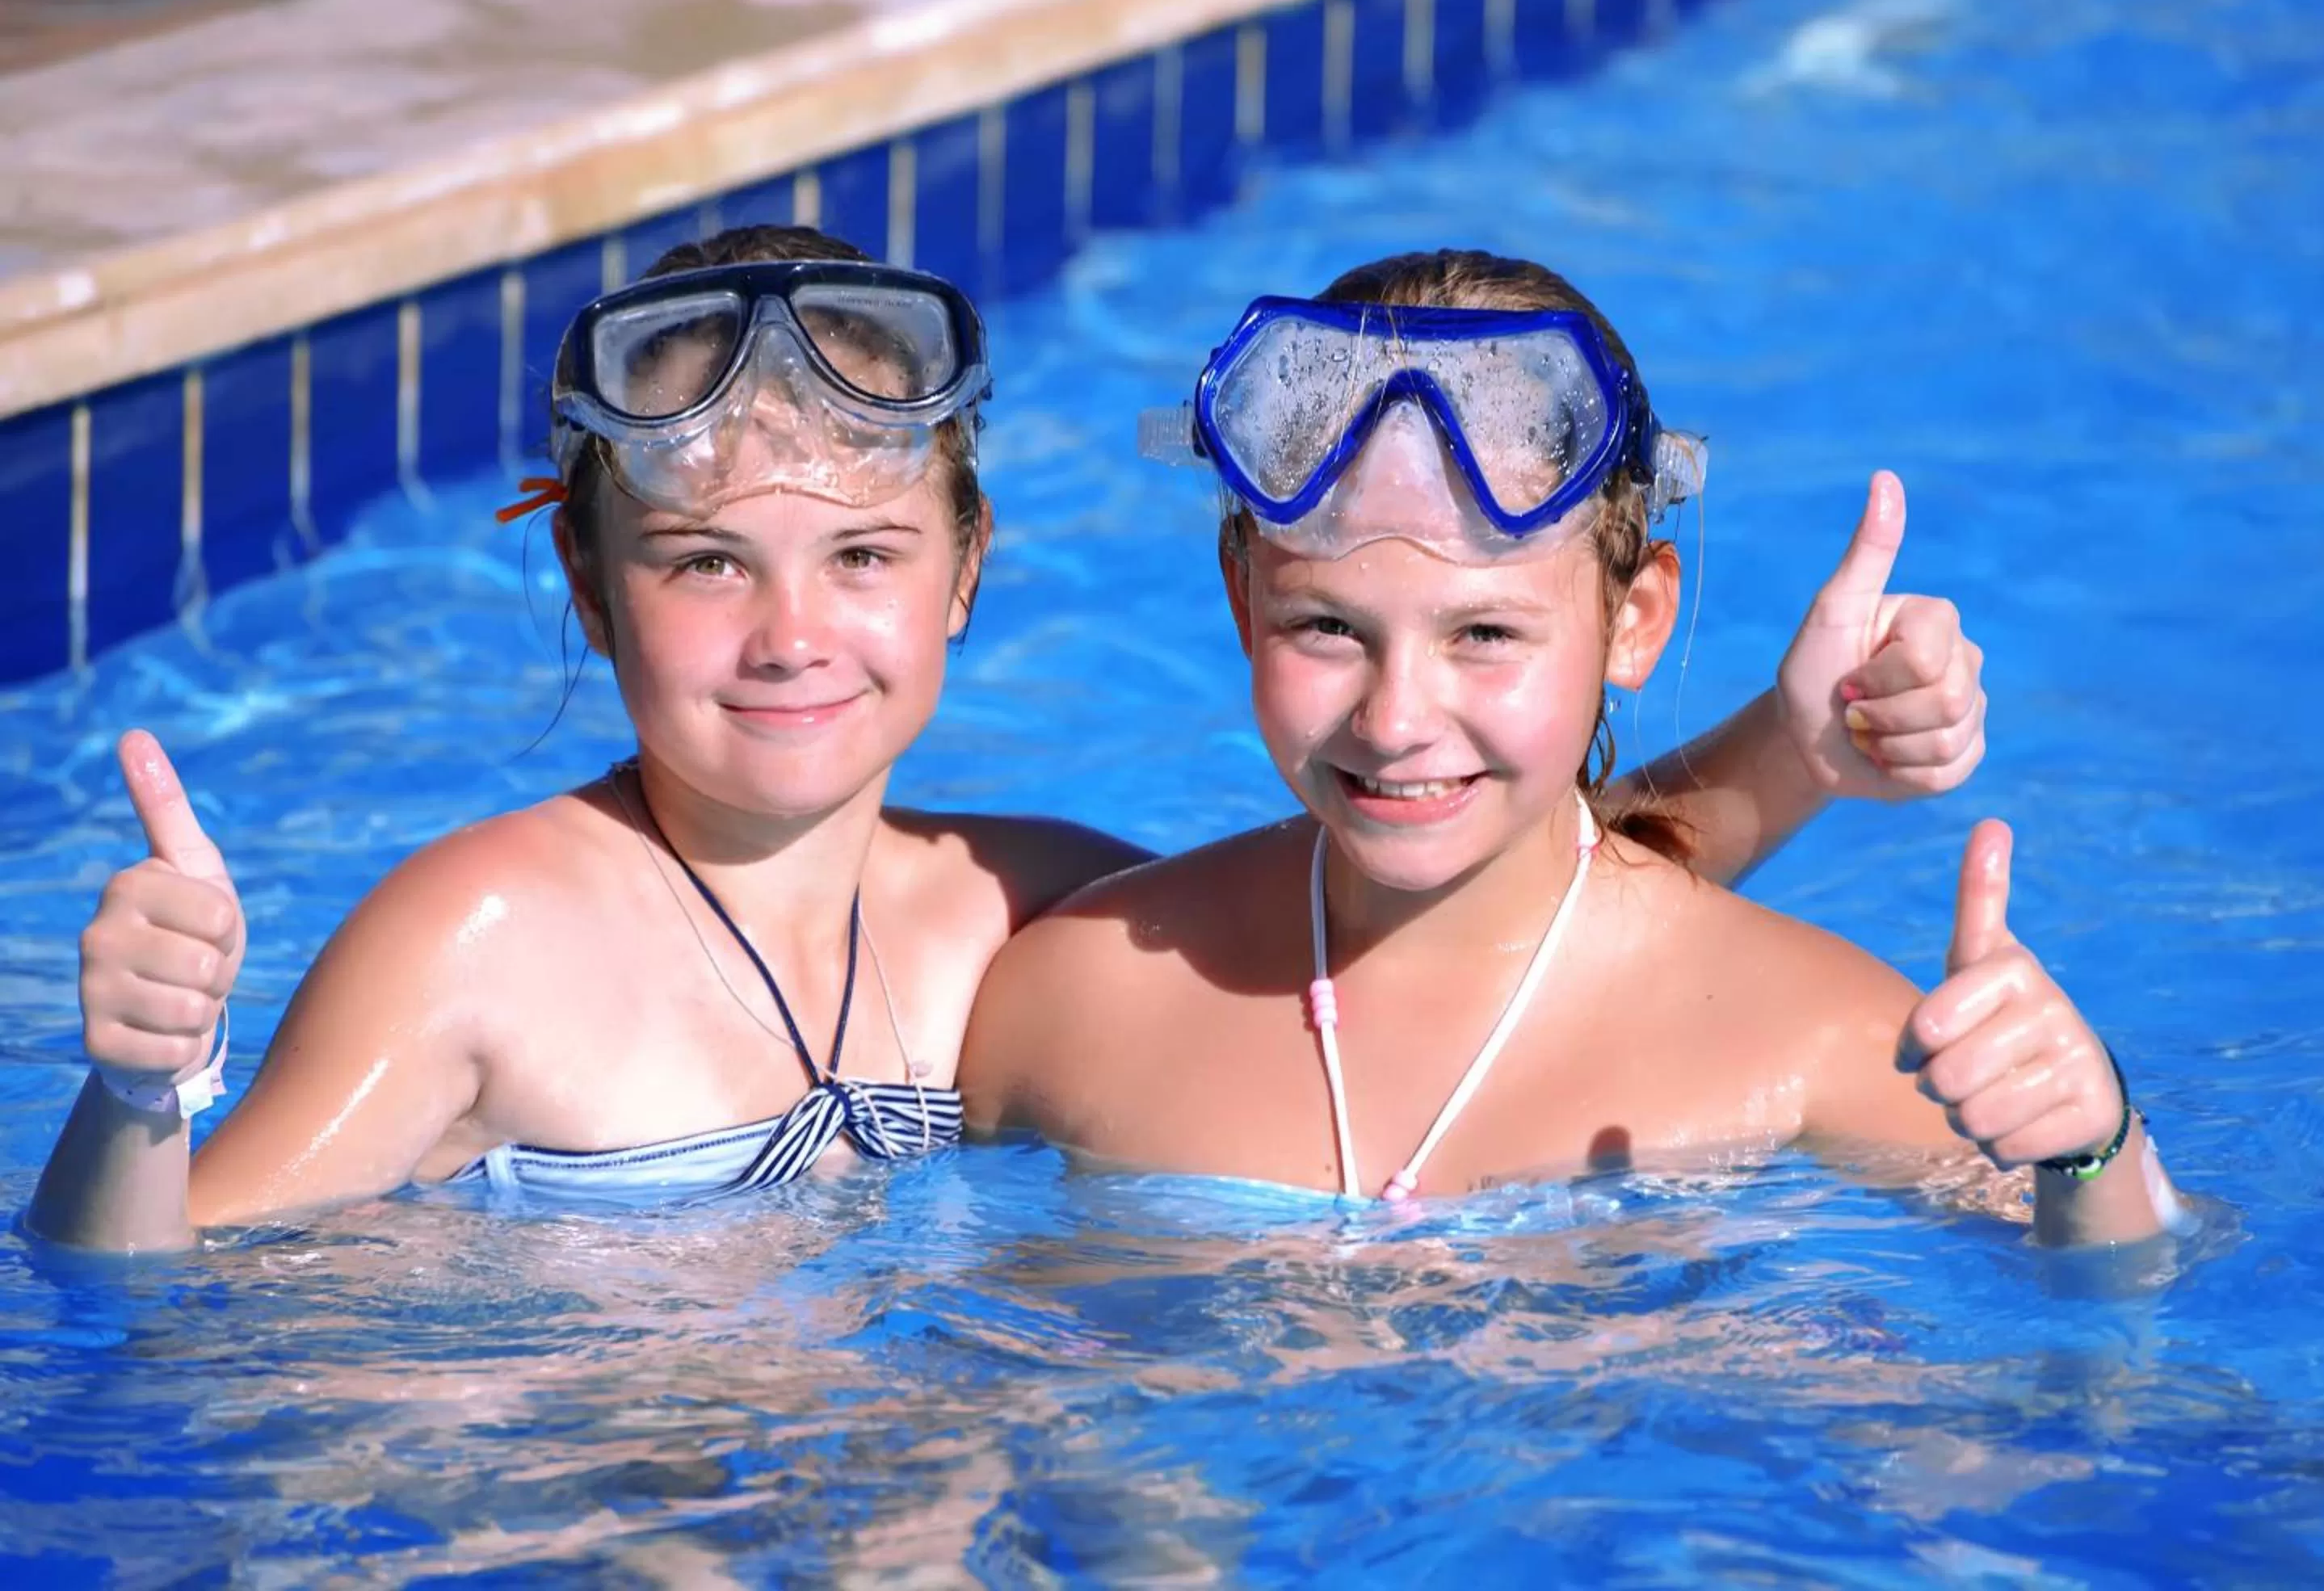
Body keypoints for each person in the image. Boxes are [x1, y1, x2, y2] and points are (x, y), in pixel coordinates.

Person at [30, 227, 1989, 1253]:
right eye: (708, 562)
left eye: (861, 552)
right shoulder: (487, 936)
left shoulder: (1017, 911)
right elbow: (137, 1307)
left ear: (967, 571)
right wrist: (134, 1091)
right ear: (595, 592)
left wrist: (1790, 756)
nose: (793, 632)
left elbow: (1461, 901)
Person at [959, 248, 2183, 1245]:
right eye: (1328, 626)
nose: (1396, 719)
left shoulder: (1814, 1044)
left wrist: (2097, 1145)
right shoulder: (1077, 1004)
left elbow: (2114, 1362)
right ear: (1242, 602)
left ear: (1633, 620)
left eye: (1485, 633)